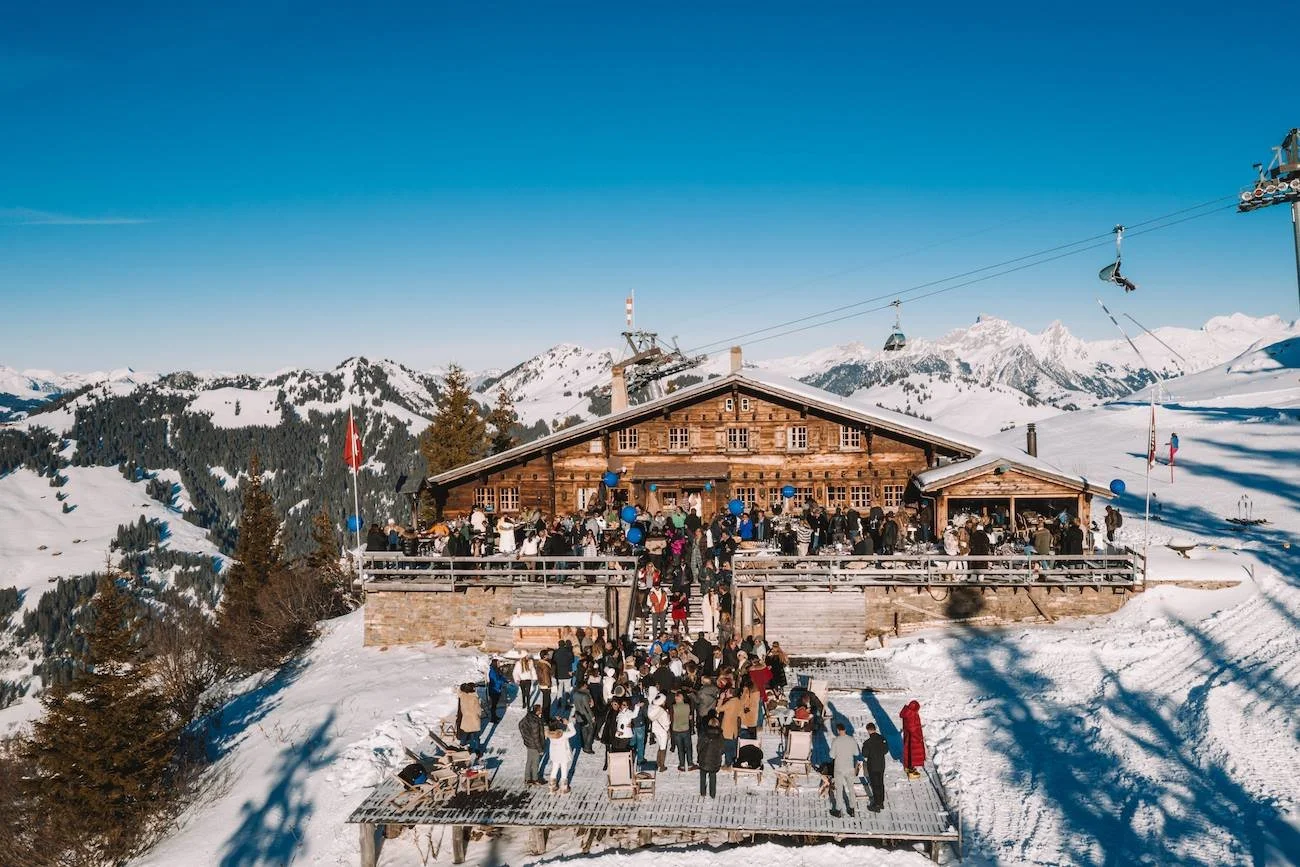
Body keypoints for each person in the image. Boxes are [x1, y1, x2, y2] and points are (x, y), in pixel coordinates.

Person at [828, 722, 860, 818]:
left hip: (839, 768)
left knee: (839, 789)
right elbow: (856, 753)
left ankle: (838, 810)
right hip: (850, 767)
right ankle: (852, 809)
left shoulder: (836, 741)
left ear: (838, 730)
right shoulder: (852, 740)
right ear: (845, 730)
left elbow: (831, 755)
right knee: (851, 788)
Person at [861, 722, 889, 811]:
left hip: (873, 766)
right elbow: (885, 750)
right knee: (880, 783)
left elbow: (865, 754)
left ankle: (877, 804)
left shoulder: (867, 743)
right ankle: (881, 802)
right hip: (881, 765)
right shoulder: (882, 739)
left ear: (868, 730)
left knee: (875, 785)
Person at [546, 716, 577, 793]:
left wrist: (556, 720)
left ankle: (552, 787)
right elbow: (573, 732)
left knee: (554, 768)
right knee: (564, 769)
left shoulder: (549, 734)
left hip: (555, 754)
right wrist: (569, 723)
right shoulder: (563, 734)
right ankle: (564, 788)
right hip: (563, 754)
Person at [519, 703, 546, 785]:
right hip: (534, 745)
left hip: (529, 743)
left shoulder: (528, 716)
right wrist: (540, 749)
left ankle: (527, 778)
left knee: (529, 761)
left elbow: (520, 724)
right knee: (535, 762)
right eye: (540, 709)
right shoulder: (535, 722)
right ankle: (535, 779)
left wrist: (526, 736)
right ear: (538, 711)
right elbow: (536, 737)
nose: (542, 710)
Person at [697, 715, 723, 798]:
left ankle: (702, 792)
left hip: (704, 758)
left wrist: (699, 754)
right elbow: (722, 748)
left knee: (702, 775)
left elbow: (699, 746)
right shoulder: (720, 736)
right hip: (714, 760)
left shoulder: (704, 734)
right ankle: (712, 793)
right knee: (713, 776)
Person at [900, 700, 926, 780]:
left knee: (908, 752)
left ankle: (907, 767)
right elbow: (913, 728)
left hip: (908, 736)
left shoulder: (907, 713)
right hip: (914, 738)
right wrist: (919, 737)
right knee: (913, 754)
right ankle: (911, 771)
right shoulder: (912, 714)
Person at [455, 682, 483, 755]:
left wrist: (463, 686)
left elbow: (459, 691)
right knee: (476, 736)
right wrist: (479, 715)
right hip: (474, 719)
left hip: (466, 719)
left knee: (464, 735)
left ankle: (462, 747)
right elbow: (478, 710)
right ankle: (477, 750)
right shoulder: (474, 698)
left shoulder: (462, 696)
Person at [671, 691, 695, 771]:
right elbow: (690, 717)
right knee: (688, 748)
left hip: (676, 730)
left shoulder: (673, 707)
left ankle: (682, 765)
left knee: (680, 748)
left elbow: (671, 718)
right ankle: (690, 764)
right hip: (686, 729)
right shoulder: (687, 706)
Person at [647, 693, 671, 772]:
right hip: (663, 731)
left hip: (656, 730)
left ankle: (658, 763)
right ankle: (662, 766)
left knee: (660, 746)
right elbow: (667, 722)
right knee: (663, 747)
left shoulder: (652, 708)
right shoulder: (662, 711)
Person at [571, 682, 596, 754]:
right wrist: (592, 716)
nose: (587, 686)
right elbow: (588, 708)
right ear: (583, 686)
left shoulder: (575, 694)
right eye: (585, 685)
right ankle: (587, 747)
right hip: (586, 715)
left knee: (584, 730)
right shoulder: (585, 696)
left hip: (579, 715)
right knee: (591, 730)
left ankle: (584, 744)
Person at [486, 659, 508, 724]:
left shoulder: (496, 670)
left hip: (497, 689)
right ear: (495, 663)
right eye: (498, 663)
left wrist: (505, 680)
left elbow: (500, 677)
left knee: (495, 705)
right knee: (493, 705)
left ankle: (495, 716)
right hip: (494, 690)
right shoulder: (492, 671)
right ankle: (493, 718)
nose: (499, 664)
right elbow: (496, 680)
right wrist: (502, 682)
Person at [535, 650, 554, 721]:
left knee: (545, 701)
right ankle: (546, 718)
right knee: (547, 702)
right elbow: (546, 676)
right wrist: (549, 684)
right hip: (546, 685)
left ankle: (545, 717)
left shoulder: (539, 663)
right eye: (547, 655)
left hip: (541, 684)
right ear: (544, 656)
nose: (549, 656)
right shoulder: (545, 665)